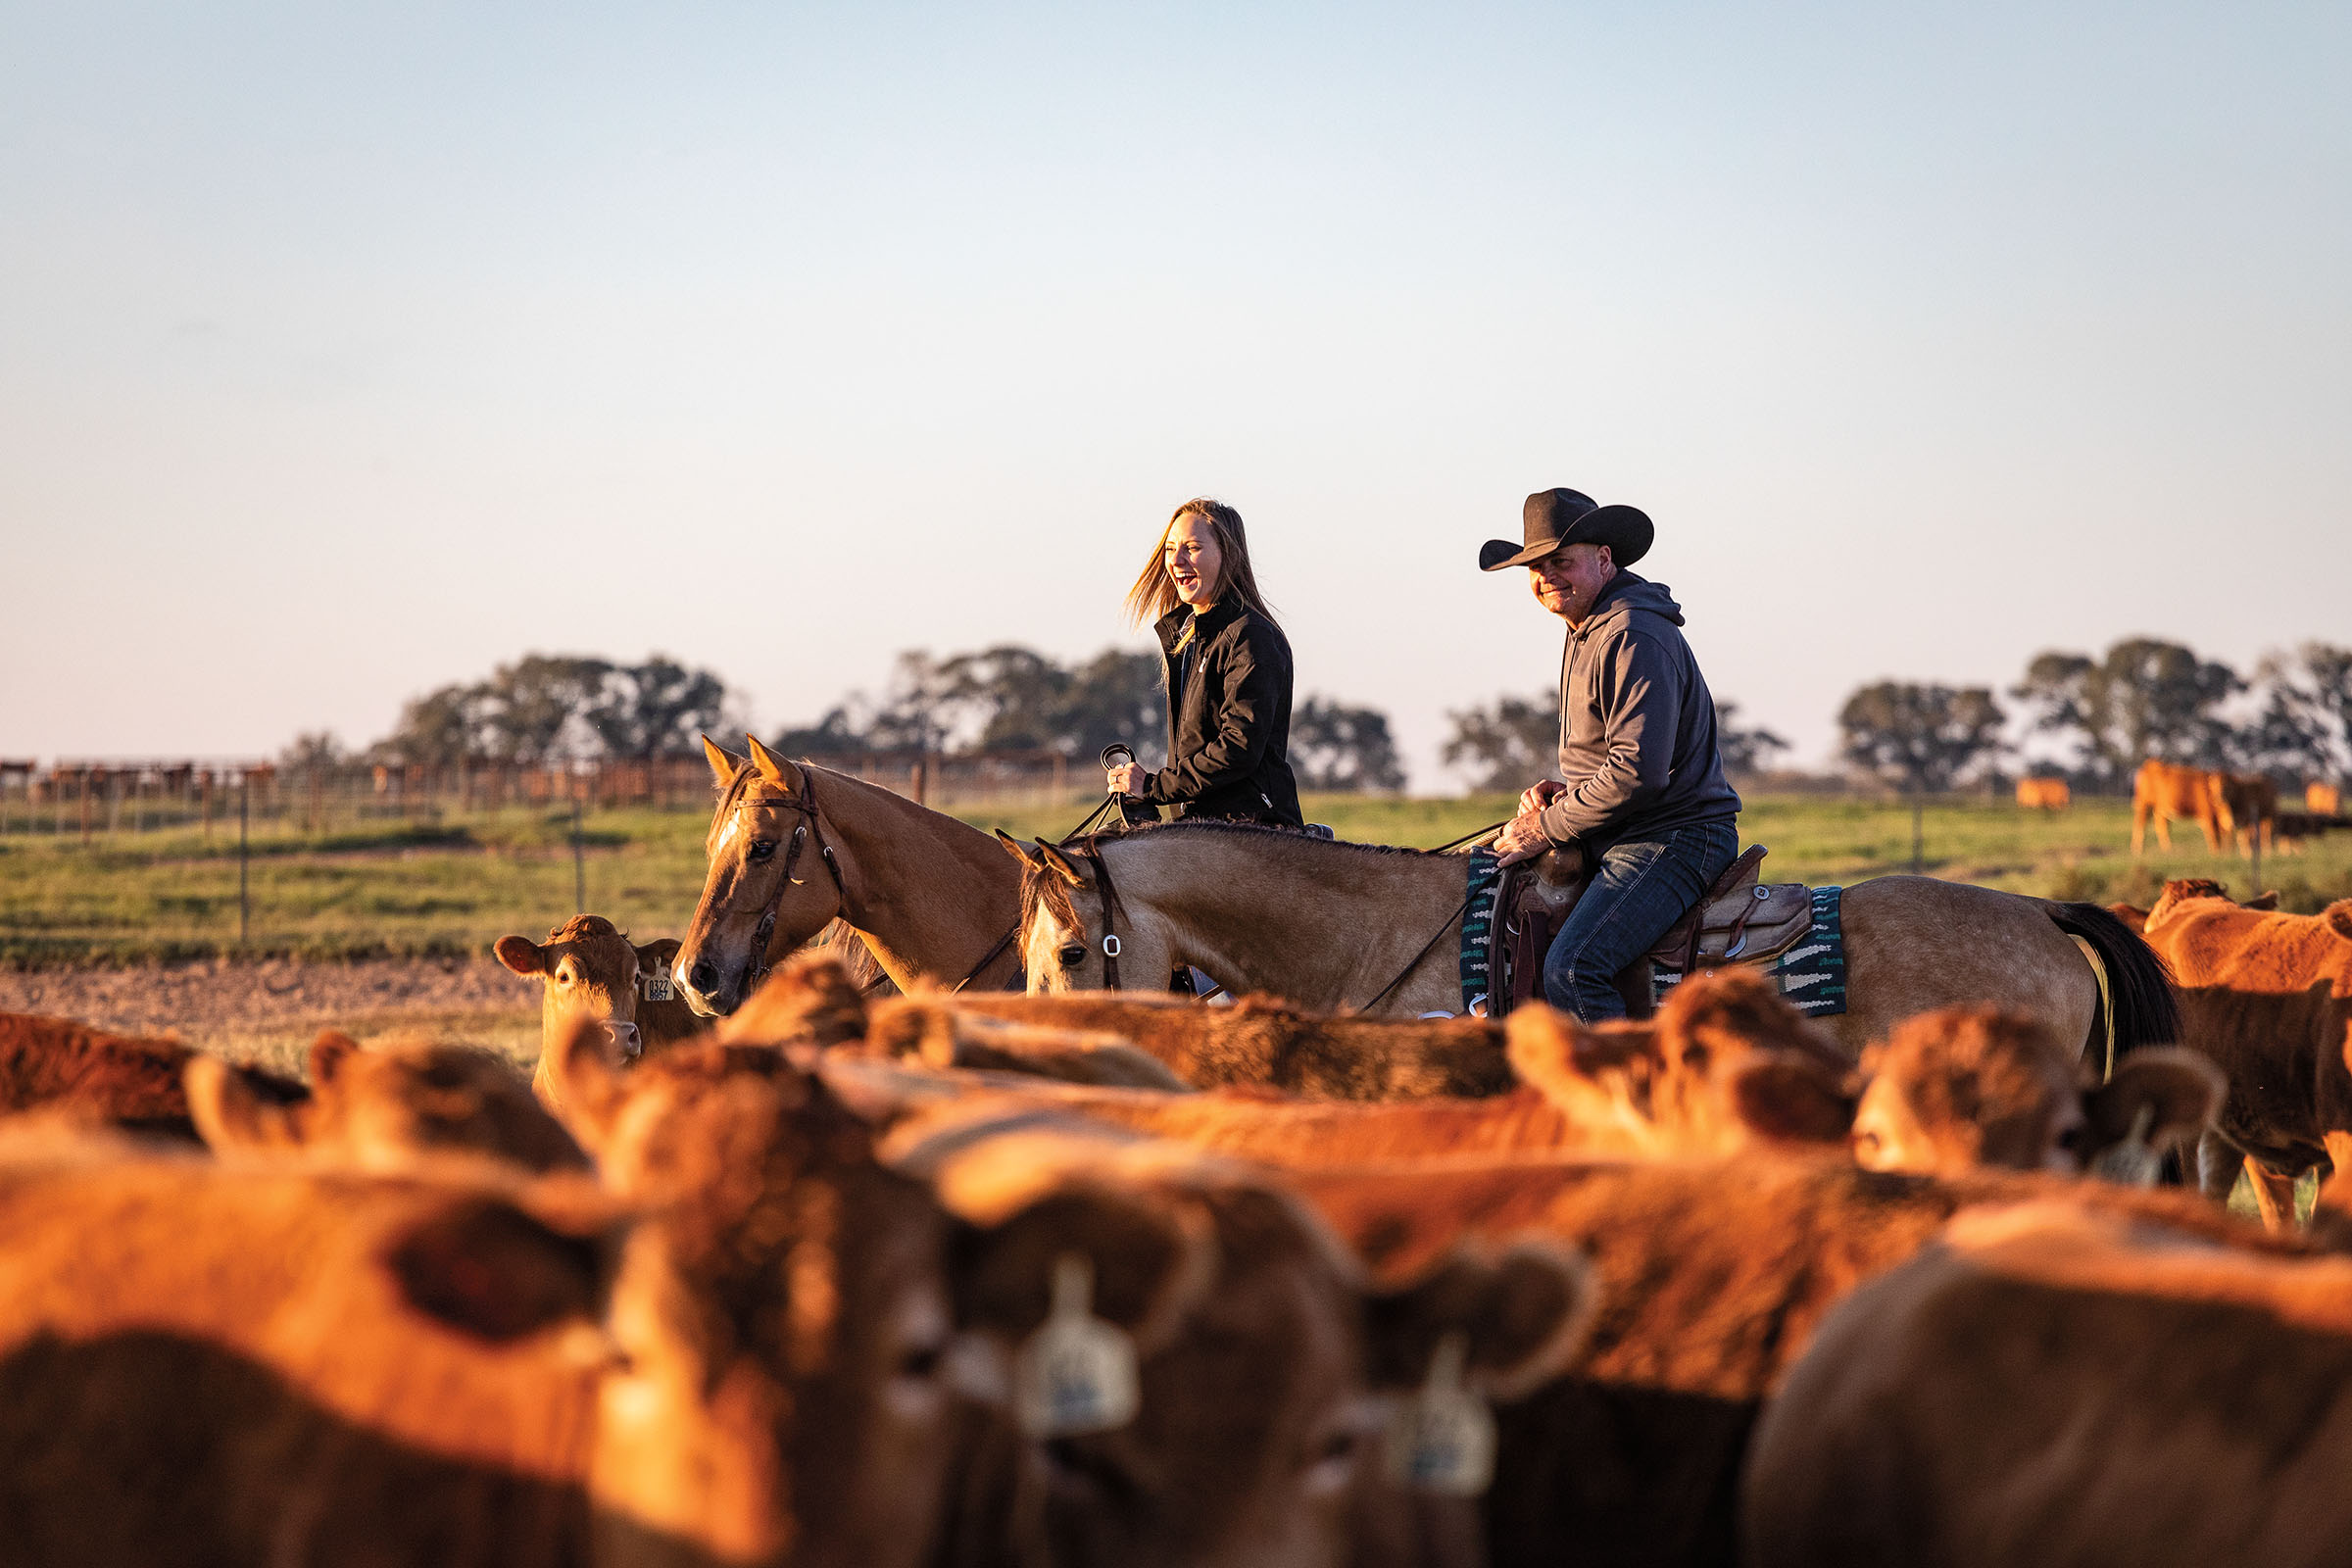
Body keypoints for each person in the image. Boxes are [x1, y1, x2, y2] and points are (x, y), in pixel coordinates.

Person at [1483, 487, 1742, 1022]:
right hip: (1630, 828)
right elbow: (1616, 757)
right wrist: (1569, 793)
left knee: (1573, 969)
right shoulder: (1588, 628)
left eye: (1562, 561)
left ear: (1604, 560)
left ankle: (1627, 1099)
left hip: (1673, 836)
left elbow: (1635, 775)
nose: (1547, 576)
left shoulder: (1630, 633)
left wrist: (1547, 826)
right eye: (1535, 566)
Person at [1105, 497, 1303, 827]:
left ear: (1228, 556)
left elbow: (1238, 747)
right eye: (1170, 549)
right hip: (1202, 828)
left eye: (1192, 548)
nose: (1176, 560)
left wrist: (1153, 787)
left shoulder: (1251, 637)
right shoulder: (1190, 641)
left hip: (1252, 830)